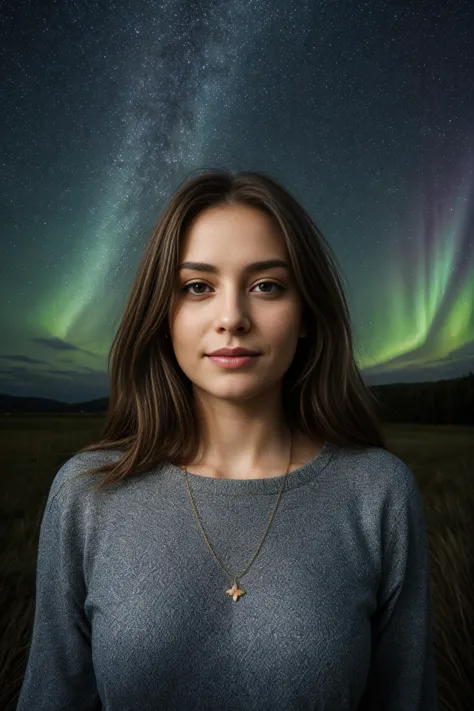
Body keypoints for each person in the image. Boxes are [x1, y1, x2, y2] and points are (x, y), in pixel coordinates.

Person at [16, 169, 438, 710]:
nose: (232, 318)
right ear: (162, 313)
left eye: (267, 286)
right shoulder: (86, 493)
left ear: (306, 312)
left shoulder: (379, 492)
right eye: (198, 287)